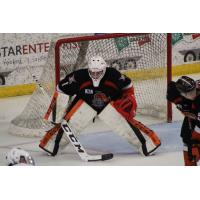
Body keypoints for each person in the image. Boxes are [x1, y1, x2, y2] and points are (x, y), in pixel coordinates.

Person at [40, 55, 161, 157]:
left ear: (104, 69)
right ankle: (50, 145)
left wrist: (131, 98)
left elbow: (128, 85)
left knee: (124, 125)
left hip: (109, 103)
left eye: (98, 72)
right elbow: (60, 89)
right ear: (89, 69)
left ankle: (149, 144)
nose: (95, 75)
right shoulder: (78, 77)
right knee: (71, 125)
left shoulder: (113, 75)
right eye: (93, 72)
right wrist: (56, 113)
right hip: (85, 103)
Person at [167, 75, 200, 166]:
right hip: (195, 115)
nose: (193, 94)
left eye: (193, 91)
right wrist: (179, 102)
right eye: (189, 93)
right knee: (186, 137)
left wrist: (194, 140)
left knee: (194, 144)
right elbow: (171, 89)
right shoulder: (177, 91)